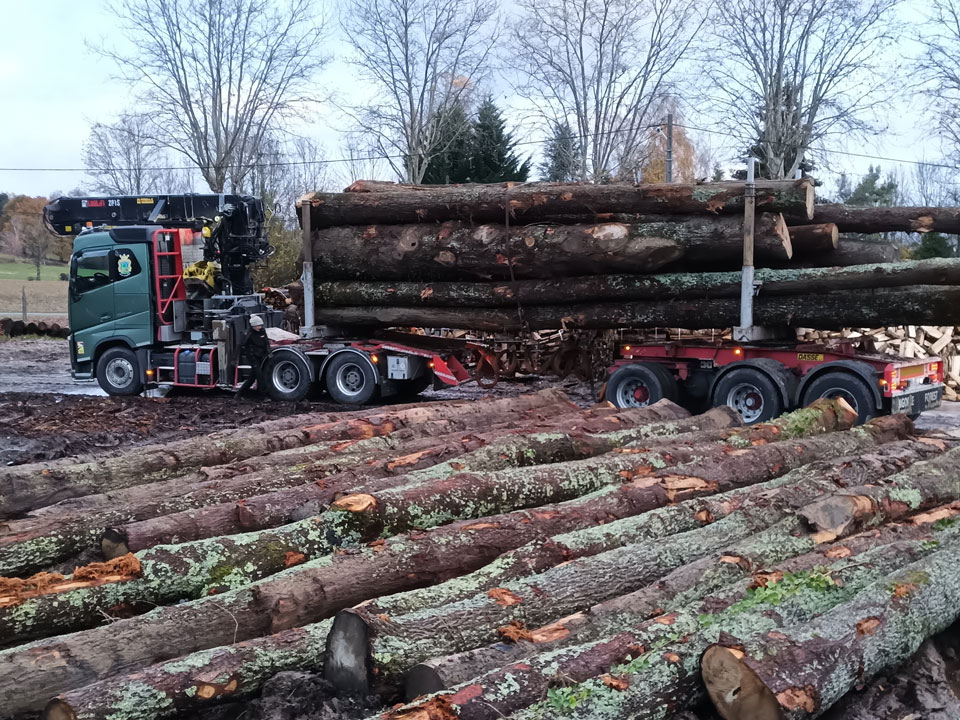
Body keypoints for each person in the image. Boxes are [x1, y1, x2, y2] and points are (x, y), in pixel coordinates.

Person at [236, 314, 271, 397]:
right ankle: (264, 395)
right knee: (260, 376)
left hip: (261, 356)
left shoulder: (262, 331)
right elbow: (243, 346)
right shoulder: (249, 335)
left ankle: (240, 393)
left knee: (252, 377)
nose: (260, 327)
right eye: (258, 326)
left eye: (260, 325)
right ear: (253, 326)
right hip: (253, 357)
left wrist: (268, 352)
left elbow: (266, 342)